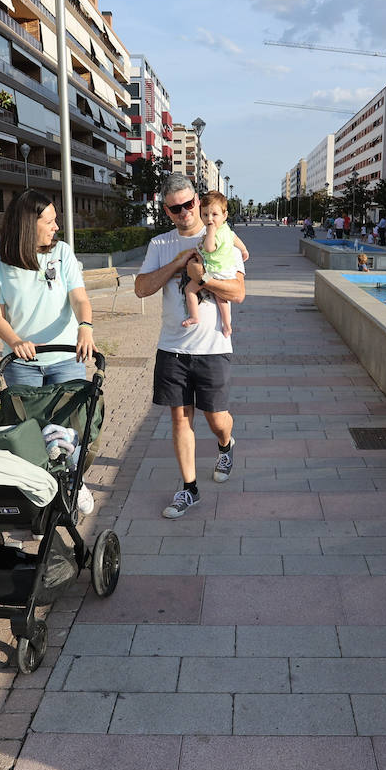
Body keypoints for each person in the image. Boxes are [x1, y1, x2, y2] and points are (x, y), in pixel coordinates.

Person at [136, 173, 245, 519]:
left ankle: (226, 444)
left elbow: (238, 293)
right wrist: (177, 263)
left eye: (188, 204)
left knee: (216, 420)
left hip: (213, 347)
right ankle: (189, 489)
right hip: (172, 348)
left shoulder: (224, 237)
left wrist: (204, 278)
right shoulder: (160, 245)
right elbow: (141, 288)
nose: (184, 211)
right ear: (167, 211)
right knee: (181, 420)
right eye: (175, 208)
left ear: (198, 200)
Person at [0, 189, 96, 386]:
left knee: (69, 416)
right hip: (21, 364)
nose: (56, 227)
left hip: (65, 360)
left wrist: (85, 327)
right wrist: (15, 342)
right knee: (28, 418)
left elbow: (79, 299)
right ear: (28, 224)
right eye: (49, 222)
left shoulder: (62, 251)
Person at [182, 190, 249, 337]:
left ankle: (194, 316)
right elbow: (234, 238)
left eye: (214, 215)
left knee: (189, 290)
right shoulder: (226, 229)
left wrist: (210, 232)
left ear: (224, 215)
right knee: (221, 298)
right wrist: (244, 250)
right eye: (205, 215)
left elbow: (209, 248)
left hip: (212, 271)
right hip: (225, 271)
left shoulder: (214, 232)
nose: (210, 219)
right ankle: (227, 324)